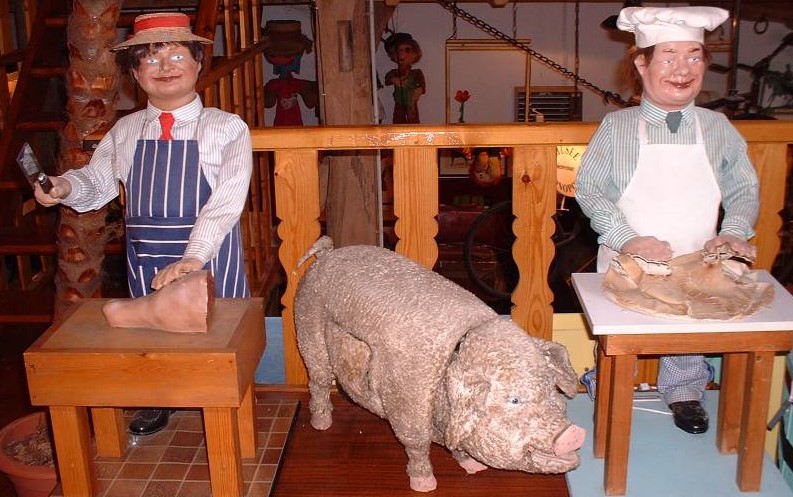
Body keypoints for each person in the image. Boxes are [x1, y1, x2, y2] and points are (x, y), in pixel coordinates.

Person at [34, 12, 253, 436]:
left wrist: (193, 258)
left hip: (209, 252)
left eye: (176, 55)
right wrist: (64, 186)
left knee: (218, 334)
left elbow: (226, 202)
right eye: (150, 59)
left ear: (197, 64)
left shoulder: (226, 128)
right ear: (135, 73)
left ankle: (226, 409)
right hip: (147, 254)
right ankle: (159, 398)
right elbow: (97, 182)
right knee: (152, 332)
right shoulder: (127, 129)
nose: (165, 66)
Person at [576, 6, 759, 435]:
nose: (683, 69)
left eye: (694, 56)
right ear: (642, 64)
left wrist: (733, 231)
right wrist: (627, 237)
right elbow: (590, 189)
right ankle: (608, 384)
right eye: (670, 56)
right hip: (629, 262)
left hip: (697, 259)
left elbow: (743, 187)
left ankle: (684, 390)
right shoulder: (617, 127)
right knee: (623, 335)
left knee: (689, 328)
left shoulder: (718, 127)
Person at [383, 32, 426, 124]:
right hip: (399, 104)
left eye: (407, 49)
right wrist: (394, 80)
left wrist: (419, 90)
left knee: (413, 121)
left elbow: (422, 85)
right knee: (398, 121)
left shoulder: (416, 73)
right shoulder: (394, 73)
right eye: (399, 50)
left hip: (412, 103)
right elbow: (387, 80)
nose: (402, 53)